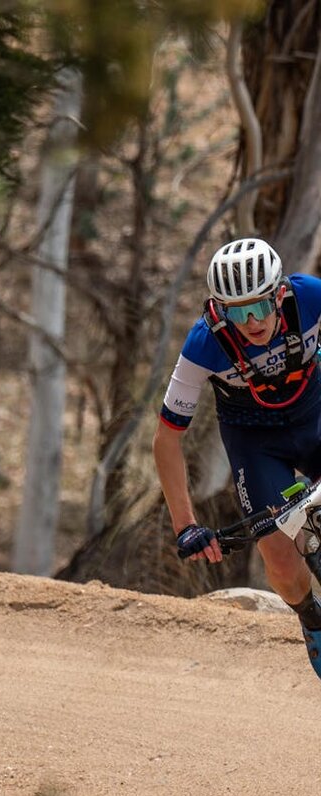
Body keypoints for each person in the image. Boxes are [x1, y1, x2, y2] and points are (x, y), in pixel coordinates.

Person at [153, 237, 321, 680]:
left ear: (280, 293)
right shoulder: (203, 345)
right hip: (254, 441)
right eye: (237, 311)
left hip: (316, 414)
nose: (252, 322)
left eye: (260, 306)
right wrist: (186, 524)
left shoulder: (310, 297)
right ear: (218, 310)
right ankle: (312, 619)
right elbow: (166, 439)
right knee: (283, 566)